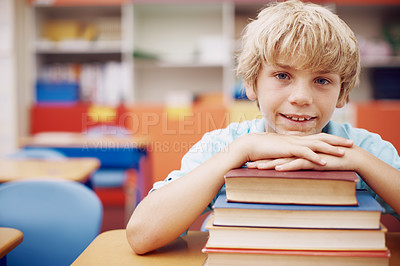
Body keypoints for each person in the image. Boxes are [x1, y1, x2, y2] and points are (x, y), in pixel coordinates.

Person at [126, 0, 400, 254]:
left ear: (343, 92)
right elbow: (141, 235)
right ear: (251, 83)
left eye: (322, 80)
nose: (301, 97)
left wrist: (360, 161)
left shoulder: (364, 149)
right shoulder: (226, 144)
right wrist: (240, 151)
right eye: (282, 75)